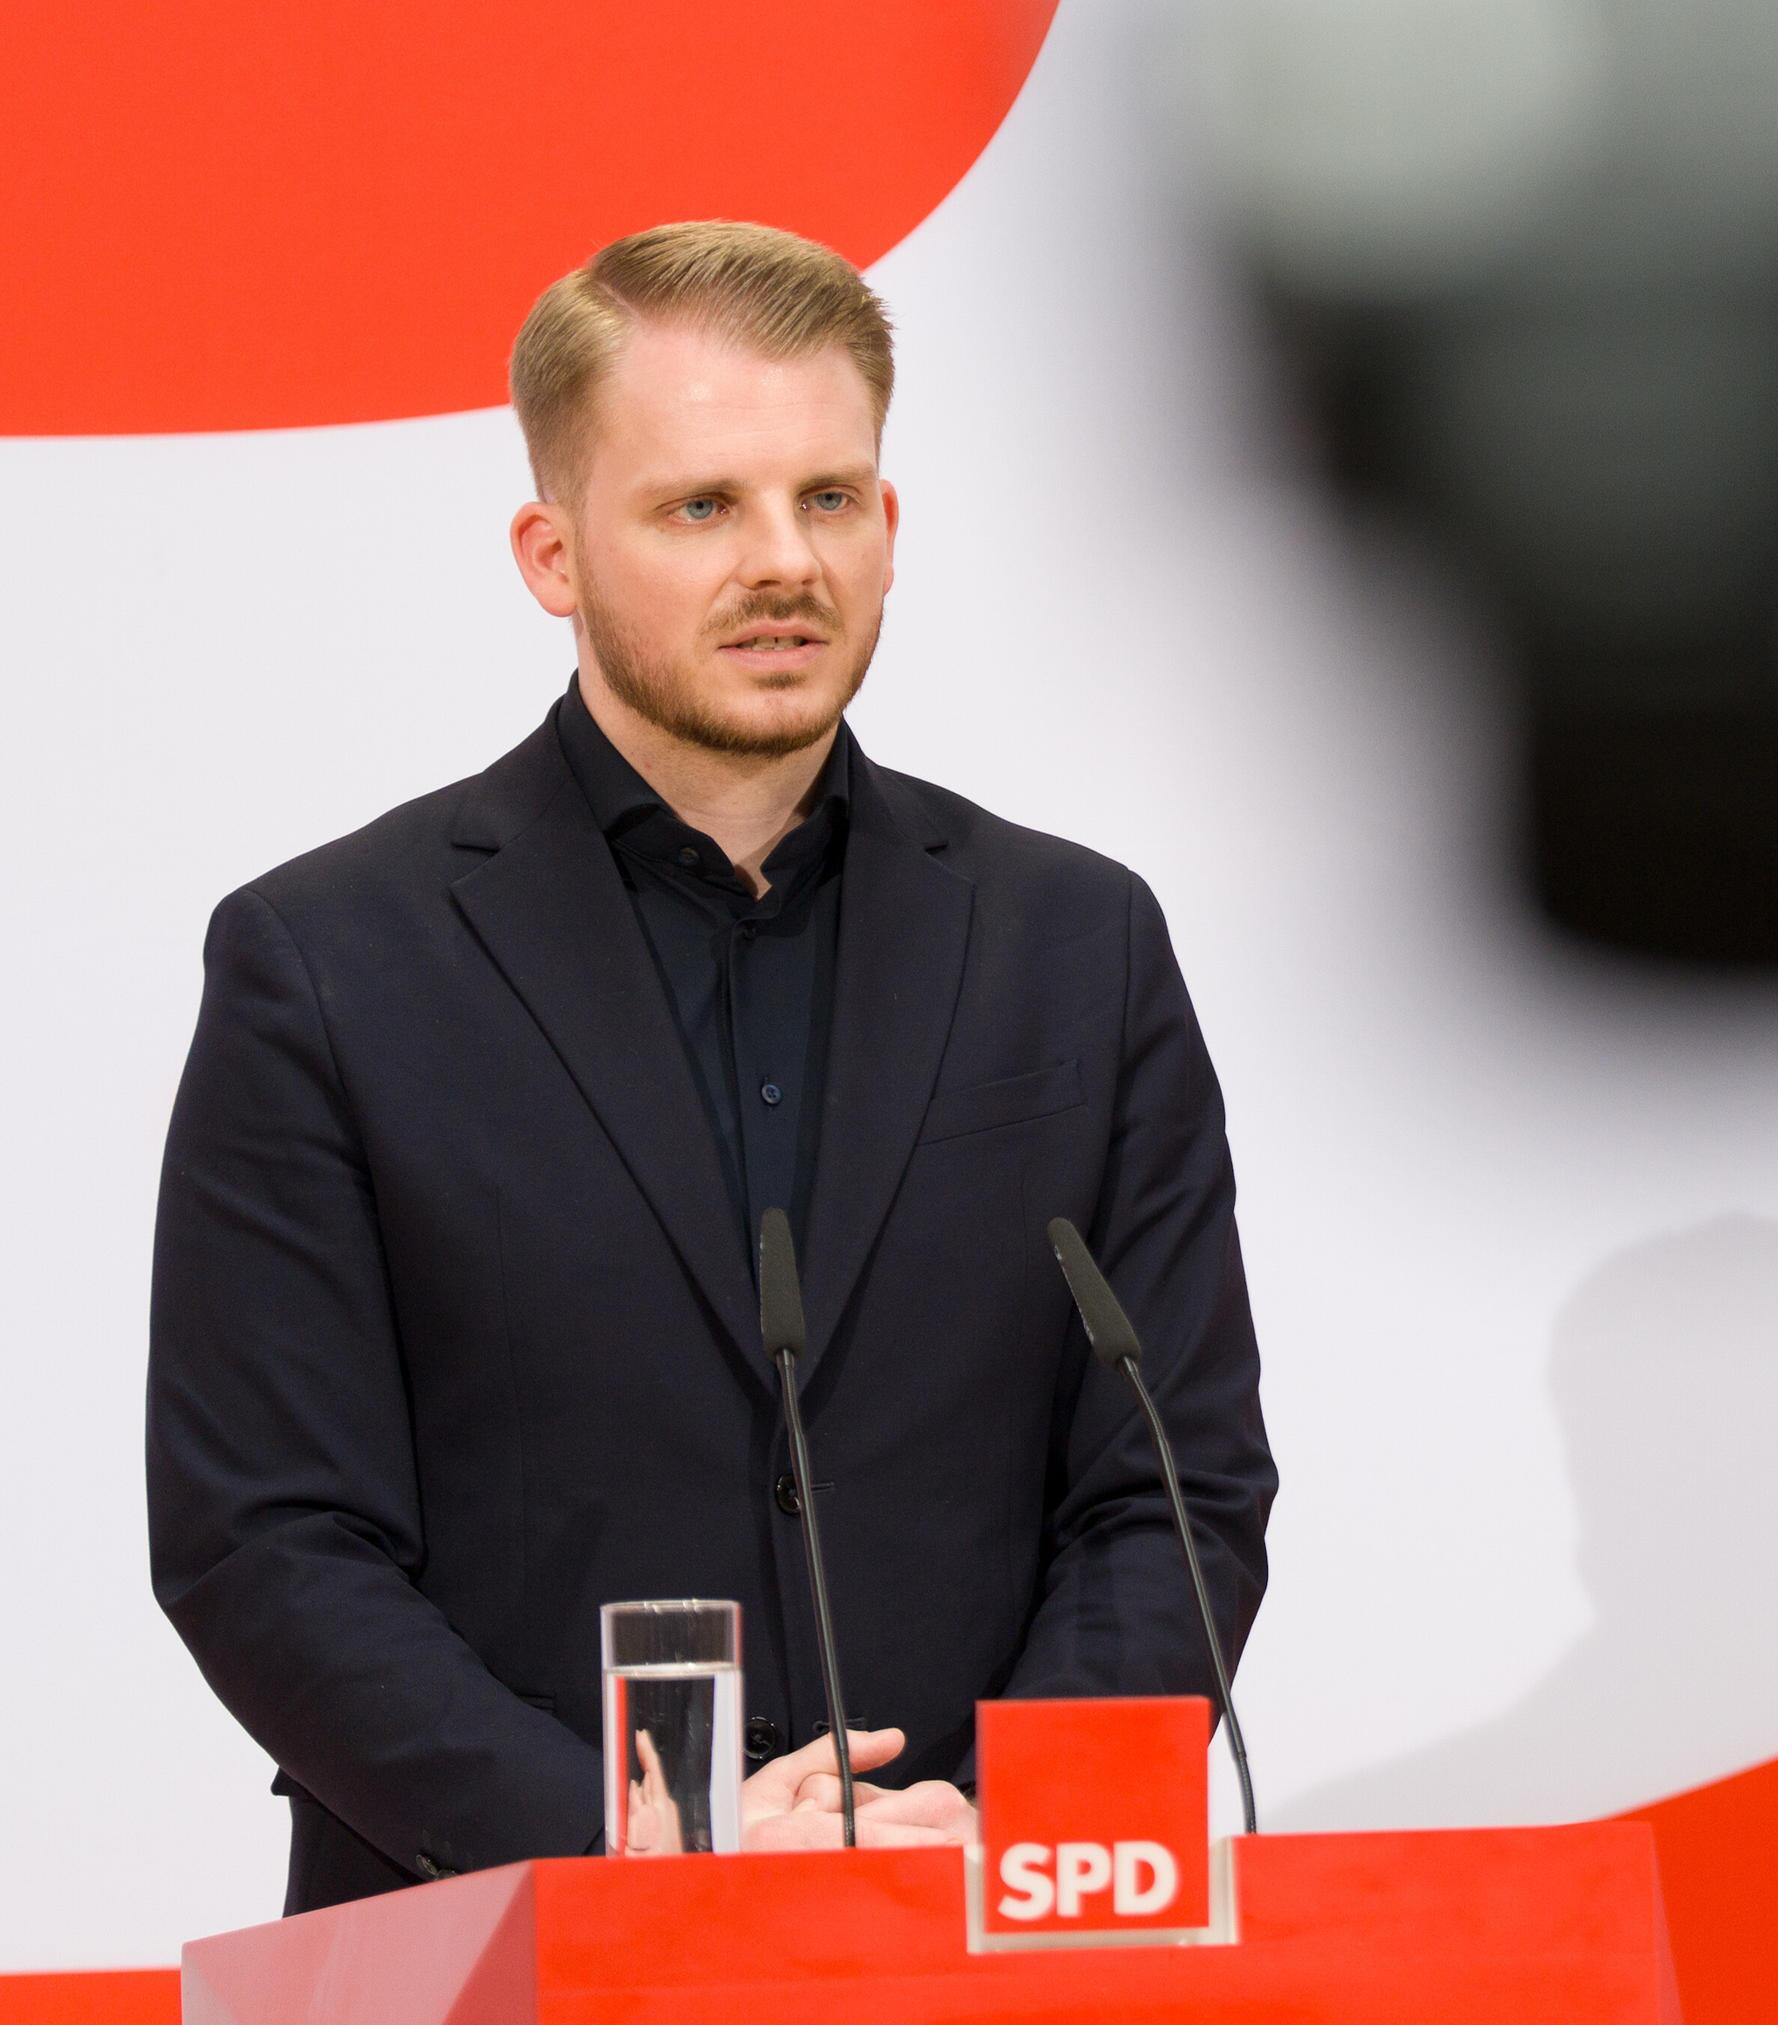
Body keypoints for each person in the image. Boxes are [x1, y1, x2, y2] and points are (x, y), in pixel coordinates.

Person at [145, 221, 1275, 1912]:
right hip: (509, 1954)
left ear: (889, 527)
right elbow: (267, 1538)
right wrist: (650, 1842)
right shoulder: (327, 965)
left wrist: (999, 1830)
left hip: (984, 1942)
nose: (786, 561)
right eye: (701, 508)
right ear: (552, 555)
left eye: (829, 497)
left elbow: (1174, 1486)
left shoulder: (1073, 944)